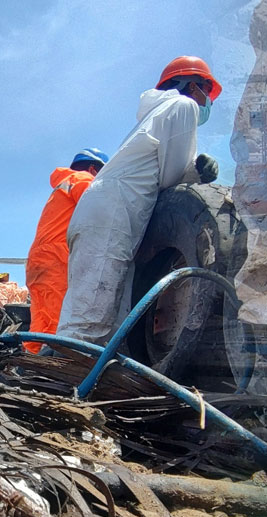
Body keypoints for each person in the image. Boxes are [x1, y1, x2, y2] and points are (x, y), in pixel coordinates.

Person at [56, 56, 222, 344]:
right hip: (113, 212)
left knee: (105, 316)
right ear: (193, 86)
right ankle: (65, 375)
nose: (207, 101)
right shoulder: (183, 106)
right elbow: (170, 173)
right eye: (206, 92)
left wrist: (194, 168)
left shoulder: (156, 114)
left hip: (105, 210)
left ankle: (82, 377)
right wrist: (196, 171)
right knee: (90, 317)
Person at [23, 148, 108, 353]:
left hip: (37, 259)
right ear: (93, 169)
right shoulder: (82, 178)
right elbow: (97, 207)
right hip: (56, 256)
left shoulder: (61, 185)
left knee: (40, 318)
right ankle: (51, 368)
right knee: (57, 317)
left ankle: (29, 363)